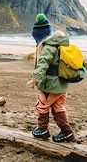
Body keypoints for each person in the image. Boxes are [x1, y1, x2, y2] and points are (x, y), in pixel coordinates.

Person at [27, 13, 75, 142]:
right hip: (62, 84)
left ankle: (42, 129)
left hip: (51, 85)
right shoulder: (60, 45)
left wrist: (35, 78)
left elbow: (42, 64)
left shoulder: (48, 47)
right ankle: (67, 133)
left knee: (42, 104)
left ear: (39, 36)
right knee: (58, 107)